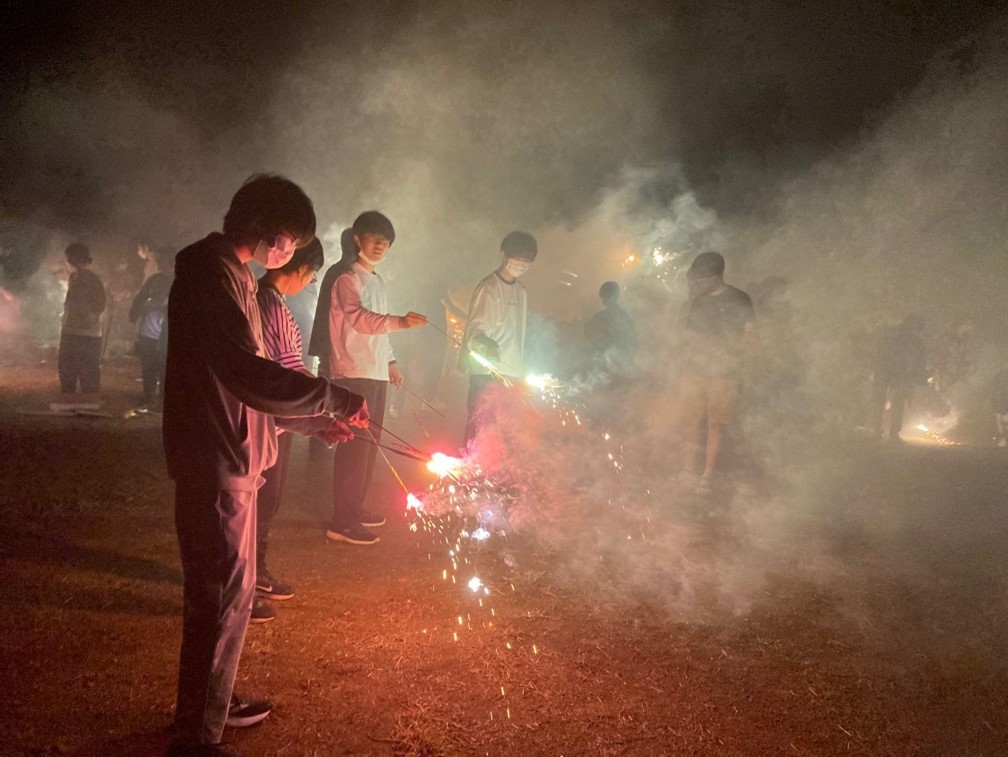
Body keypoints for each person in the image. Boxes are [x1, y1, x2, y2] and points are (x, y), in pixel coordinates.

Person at [163, 174, 368, 757]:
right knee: (222, 600)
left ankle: (209, 706)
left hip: (232, 454)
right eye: (289, 240)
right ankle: (197, 736)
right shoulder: (211, 275)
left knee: (225, 599)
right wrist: (329, 396)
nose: (290, 252)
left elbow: (247, 388)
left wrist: (311, 421)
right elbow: (243, 373)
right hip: (216, 459)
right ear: (265, 229)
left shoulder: (233, 279)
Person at [324, 211, 428, 546]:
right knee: (355, 448)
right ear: (358, 238)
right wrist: (399, 322)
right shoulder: (347, 278)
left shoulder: (377, 281)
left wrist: (391, 361)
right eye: (374, 238)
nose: (381, 245)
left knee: (370, 449)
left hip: (374, 372)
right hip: (353, 372)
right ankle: (341, 521)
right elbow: (360, 320)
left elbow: (380, 329)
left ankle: (354, 508)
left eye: (386, 241)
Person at [250, 238, 325, 623]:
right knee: (259, 504)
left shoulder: (269, 300)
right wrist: (323, 403)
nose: (308, 283)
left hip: (277, 417)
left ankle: (254, 575)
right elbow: (286, 368)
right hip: (269, 419)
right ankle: (244, 586)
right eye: (311, 276)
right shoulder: (268, 303)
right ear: (300, 268)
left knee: (266, 503)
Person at [678, 251, 757, 496]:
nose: (699, 281)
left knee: (715, 424)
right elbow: (689, 335)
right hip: (695, 369)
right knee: (691, 422)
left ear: (717, 275)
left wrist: (741, 364)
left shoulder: (740, 298)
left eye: (704, 277)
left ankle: (707, 475)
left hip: (724, 373)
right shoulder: (699, 302)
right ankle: (689, 471)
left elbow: (749, 335)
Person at [461, 231, 538, 446]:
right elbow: (475, 330)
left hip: (511, 373)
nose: (521, 266)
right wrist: (485, 343)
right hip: (488, 373)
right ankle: (472, 474)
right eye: (518, 260)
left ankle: (496, 476)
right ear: (504, 255)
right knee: (482, 429)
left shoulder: (521, 291)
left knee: (505, 432)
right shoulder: (489, 287)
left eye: (526, 263)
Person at [869, 315, 928, 443]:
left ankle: (893, 433)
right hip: (885, 371)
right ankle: (877, 430)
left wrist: (920, 378)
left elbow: (920, 362)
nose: (914, 331)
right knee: (880, 400)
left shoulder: (917, 342)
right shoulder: (892, 335)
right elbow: (879, 352)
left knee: (898, 402)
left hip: (900, 375)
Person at [58, 243, 107, 396]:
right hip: (76, 330)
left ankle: (86, 402)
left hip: (85, 332)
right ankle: (78, 401)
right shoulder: (75, 277)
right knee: (74, 369)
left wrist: (89, 316)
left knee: (81, 369)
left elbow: (100, 303)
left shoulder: (90, 278)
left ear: (71, 259)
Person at [129, 248, 175, 408]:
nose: (161, 265)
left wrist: (164, 304)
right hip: (148, 332)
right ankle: (147, 396)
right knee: (148, 366)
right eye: (159, 262)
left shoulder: (180, 281)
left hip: (167, 333)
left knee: (164, 367)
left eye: (164, 262)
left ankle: (163, 400)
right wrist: (137, 312)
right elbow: (140, 299)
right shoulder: (154, 280)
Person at [583, 280, 637, 372]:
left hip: (610, 363)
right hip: (623, 363)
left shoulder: (603, 316)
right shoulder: (625, 316)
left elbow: (587, 330)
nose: (603, 300)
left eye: (604, 297)